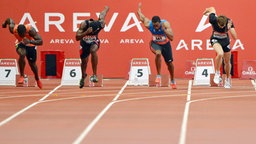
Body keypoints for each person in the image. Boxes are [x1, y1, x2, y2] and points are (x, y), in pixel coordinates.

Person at [137, 3, 177, 89]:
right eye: (154, 25)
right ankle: (158, 75)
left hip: (166, 44)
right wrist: (139, 9)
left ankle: (173, 80)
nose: (155, 27)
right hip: (155, 43)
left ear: (160, 23)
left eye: (157, 25)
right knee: (158, 54)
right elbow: (141, 16)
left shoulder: (165, 24)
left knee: (169, 64)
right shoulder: (148, 24)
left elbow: (172, 38)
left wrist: (164, 31)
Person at [2, 18, 43, 89]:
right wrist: (4, 24)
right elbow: (9, 20)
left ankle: (37, 78)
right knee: (22, 54)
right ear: (17, 31)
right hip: (20, 44)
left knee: (32, 64)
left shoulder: (31, 30)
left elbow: (41, 41)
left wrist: (30, 42)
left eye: (23, 34)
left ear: (25, 32)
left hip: (31, 45)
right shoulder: (13, 29)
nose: (22, 36)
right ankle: (22, 75)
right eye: (20, 35)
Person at [203, 7, 238, 88]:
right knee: (220, 53)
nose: (222, 27)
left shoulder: (229, 22)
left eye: (223, 26)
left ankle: (228, 79)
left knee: (227, 62)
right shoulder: (213, 19)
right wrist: (205, 12)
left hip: (225, 41)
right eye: (220, 26)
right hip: (215, 39)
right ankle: (217, 73)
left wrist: (229, 28)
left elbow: (235, 37)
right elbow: (212, 8)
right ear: (217, 21)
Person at [76, 6, 109, 88]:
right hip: (84, 43)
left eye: (94, 31)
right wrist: (86, 32)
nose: (93, 32)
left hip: (94, 42)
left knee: (93, 50)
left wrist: (106, 8)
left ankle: (94, 74)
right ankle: (83, 76)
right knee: (84, 62)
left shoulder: (100, 24)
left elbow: (102, 15)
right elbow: (77, 37)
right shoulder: (84, 24)